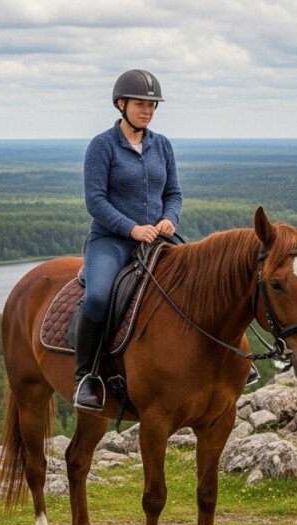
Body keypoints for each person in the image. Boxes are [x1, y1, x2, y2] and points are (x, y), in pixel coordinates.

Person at [74, 69, 182, 411]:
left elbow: (174, 193)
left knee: (204, 282)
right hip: (112, 241)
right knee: (98, 299)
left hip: (158, 240)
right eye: (140, 104)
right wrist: (132, 229)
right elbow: (96, 202)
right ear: (121, 104)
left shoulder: (161, 145)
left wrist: (170, 218)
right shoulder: (102, 146)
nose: (147, 111)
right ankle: (86, 377)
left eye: (152, 105)